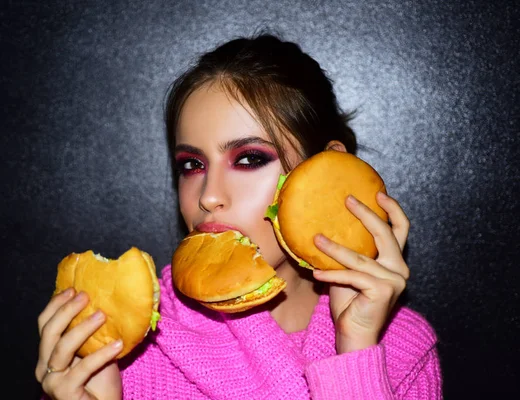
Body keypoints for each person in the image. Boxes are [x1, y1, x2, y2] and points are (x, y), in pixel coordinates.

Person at [35, 33, 442, 399]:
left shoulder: (402, 350)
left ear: (326, 171)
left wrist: (355, 349)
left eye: (249, 158)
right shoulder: (123, 352)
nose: (209, 195)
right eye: (192, 165)